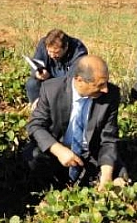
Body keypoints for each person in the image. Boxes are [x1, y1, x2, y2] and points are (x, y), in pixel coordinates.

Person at [25, 55, 127, 188]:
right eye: (99, 85)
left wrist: (106, 176)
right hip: (60, 150)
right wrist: (59, 150)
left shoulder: (111, 94)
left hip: (90, 151)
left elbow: (108, 138)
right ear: (79, 80)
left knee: (118, 172)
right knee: (32, 155)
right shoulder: (51, 89)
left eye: (106, 82)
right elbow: (35, 125)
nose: (105, 89)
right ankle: (51, 188)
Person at [25, 28, 88, 106]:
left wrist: (54, 87)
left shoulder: (78, 51)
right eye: (49, 51)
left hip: (67, 81)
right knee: (32, 84)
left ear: (66, 48)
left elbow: (72, 79)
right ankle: (37, 109)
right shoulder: (43, 43)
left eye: (56, 52)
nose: (52, 55)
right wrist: (38, 73)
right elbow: (36, 62)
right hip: (48, 77)